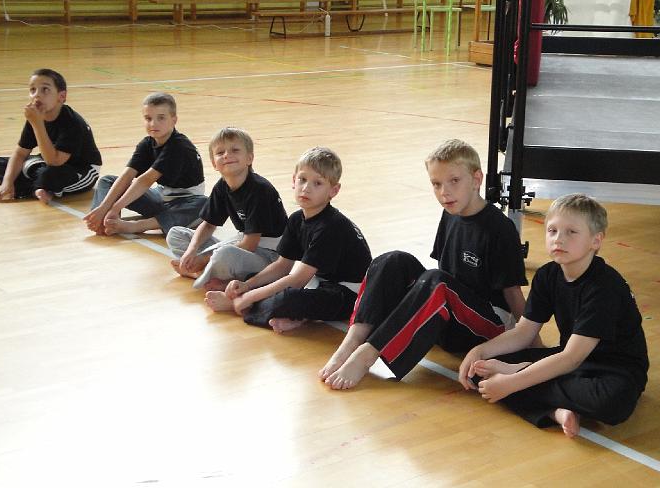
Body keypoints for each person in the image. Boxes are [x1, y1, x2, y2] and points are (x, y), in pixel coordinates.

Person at [320, 138, 529, 390]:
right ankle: (352, 342)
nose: (444, 192)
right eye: (436, 184)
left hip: (488, 326)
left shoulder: (500, 229)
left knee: (436, 281)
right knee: (392, 260)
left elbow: (512, 293)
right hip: (450, 317)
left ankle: (368, 354)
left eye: (454, 181)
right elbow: (443, 272)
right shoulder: (450, 214)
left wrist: (531, 341)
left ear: (476, 179)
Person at [458, 194, 649, 438]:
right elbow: (524, 332)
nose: (559, 238)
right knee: (480, 370)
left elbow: (571, 358)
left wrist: (512, 381)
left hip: (611, 370)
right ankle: (555, 412)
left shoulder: (604, 287)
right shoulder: (547, 275)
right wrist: (480, 351)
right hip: (569, 361)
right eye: (552, 230)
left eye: (571, 232)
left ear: (596, 240)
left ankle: (520, 377)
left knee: (611, 404)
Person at [205, 146, 372, 334]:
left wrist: (248, 297)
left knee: (288, 298)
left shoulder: (331, 227)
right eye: (302, 180)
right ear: (294, 180)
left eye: (317, 183)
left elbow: (297, 280)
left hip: (350, 295)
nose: (306, 188)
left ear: (333, 190)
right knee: (262, 279)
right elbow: (281, 266)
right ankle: (298, 317)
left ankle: (241, 304)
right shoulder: (296, 219)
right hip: (319, 282)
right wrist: (247, 285)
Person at [166, 127, 288, 289]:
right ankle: (207, 271)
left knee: (225, 255)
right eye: (220, 152)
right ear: (214, 164)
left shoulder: (260, 190)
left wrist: (203, 258)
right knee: (176, 234)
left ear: (249, 158)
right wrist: (192, 251)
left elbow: (250, 244)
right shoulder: (222, 186)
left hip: (270, 255)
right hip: (242, 243)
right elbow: (208, 225)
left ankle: (202, 273)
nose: (226, 155)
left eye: (235, 150)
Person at [83, 92, 206, 236]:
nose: (153, 124)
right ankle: (102, 220)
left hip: (185, 202)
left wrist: (115, 208)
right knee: (107, 181)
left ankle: (136, 226)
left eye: (161, 118)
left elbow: (145, 180)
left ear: (174, 120)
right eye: (148, 118)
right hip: (160, 198)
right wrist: (104, 208)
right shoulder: (147, 143)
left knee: (205, 205)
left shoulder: (179, 146)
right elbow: (127, 176)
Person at [0, 68, 102, 204]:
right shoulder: (36, 117)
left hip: (80, 169)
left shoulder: (71, 121)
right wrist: (7, 182)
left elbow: (54, 161)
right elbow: (20, 153)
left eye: (45, 90)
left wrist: (37, 124)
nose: (37, 95)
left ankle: (35, 188)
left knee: (49, 174)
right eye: (33, 90)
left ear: (61, 96)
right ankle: (39, 189)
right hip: (47, 163)